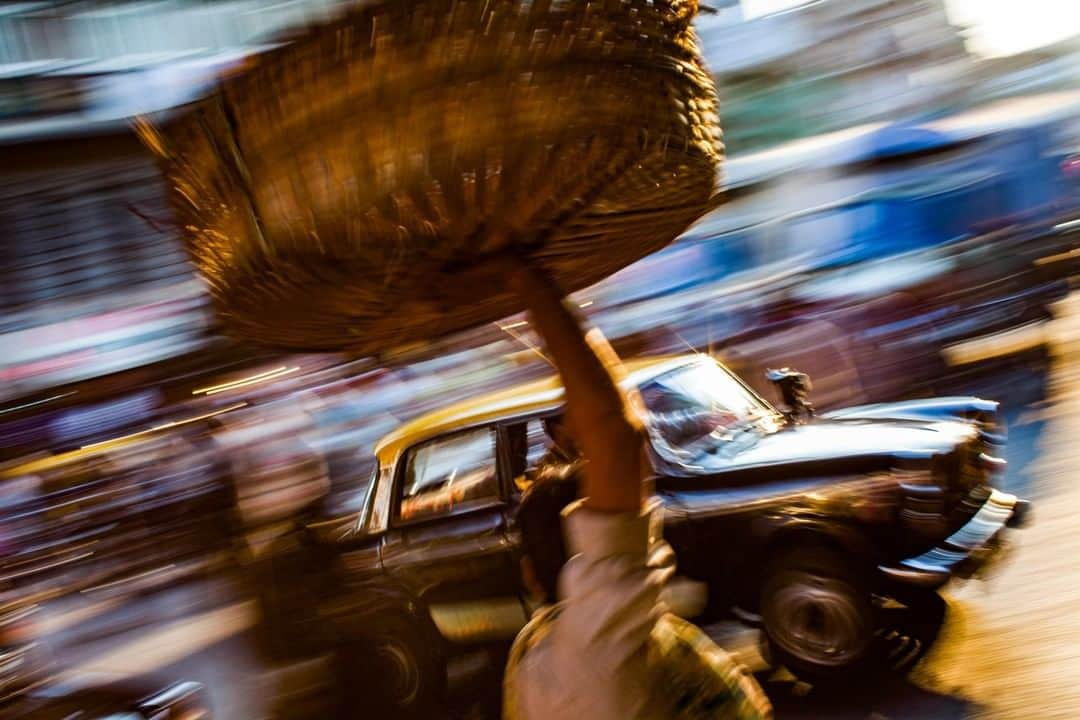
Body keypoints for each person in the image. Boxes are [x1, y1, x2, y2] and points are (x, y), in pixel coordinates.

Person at [491, 259, 772, 720]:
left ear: (530, 575)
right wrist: (528, 281)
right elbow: (618, 436)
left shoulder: (541, 660)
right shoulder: (594, 649)